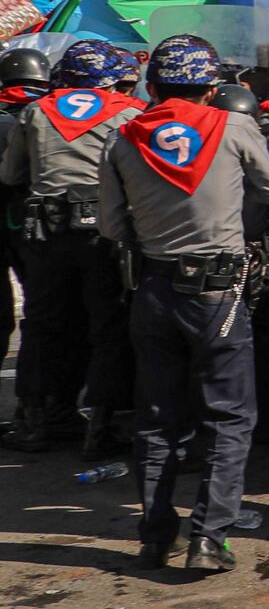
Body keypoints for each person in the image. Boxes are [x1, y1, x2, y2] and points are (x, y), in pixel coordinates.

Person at [97, 37, 269, 571]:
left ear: (151, 87)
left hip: (153, 289)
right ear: (211, 88)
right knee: (227, 417)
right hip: (217, 292)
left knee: (157, 419)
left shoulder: (122, 136)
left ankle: (157, 536)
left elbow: (113, 227)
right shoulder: (233, 127)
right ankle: (209, 538)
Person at [0, 41, 145, 455]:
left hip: (44, 234)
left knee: (43, 324)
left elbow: (11, 176)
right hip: (102, 233)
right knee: (106, 325)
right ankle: (99, 427)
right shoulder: (129, 112)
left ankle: (33, 421)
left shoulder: (34, 111)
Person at [0, 47, 48, 433]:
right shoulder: (45, 115)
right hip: (29, 229)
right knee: (43, 316)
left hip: (16, 225)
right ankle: (34, 411)